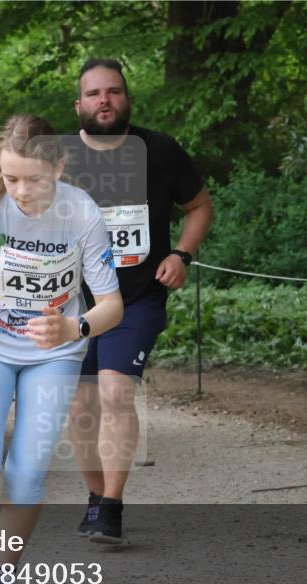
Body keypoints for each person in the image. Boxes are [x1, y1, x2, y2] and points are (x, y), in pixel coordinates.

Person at [0, 114, 123, 584]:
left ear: (59, 167)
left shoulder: (81, 214)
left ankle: (2, 575)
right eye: (10, 176)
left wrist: (73, 327)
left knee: (26, 473)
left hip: (55, 353)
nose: (20, 190)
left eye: (33, 178)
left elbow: (111, 305)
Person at [63, 58, 213, 543]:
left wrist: (182, 254)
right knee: (80, 406)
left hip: (137, 300)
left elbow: (199, 206)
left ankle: (111, 506)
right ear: (79, 105)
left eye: (113, 91)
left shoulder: (160, 150)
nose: (103, 100)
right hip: (75, 304)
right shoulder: (59, 161)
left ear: (127, 99)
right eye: (93, 94)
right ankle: (93, 498)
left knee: (114, 391)